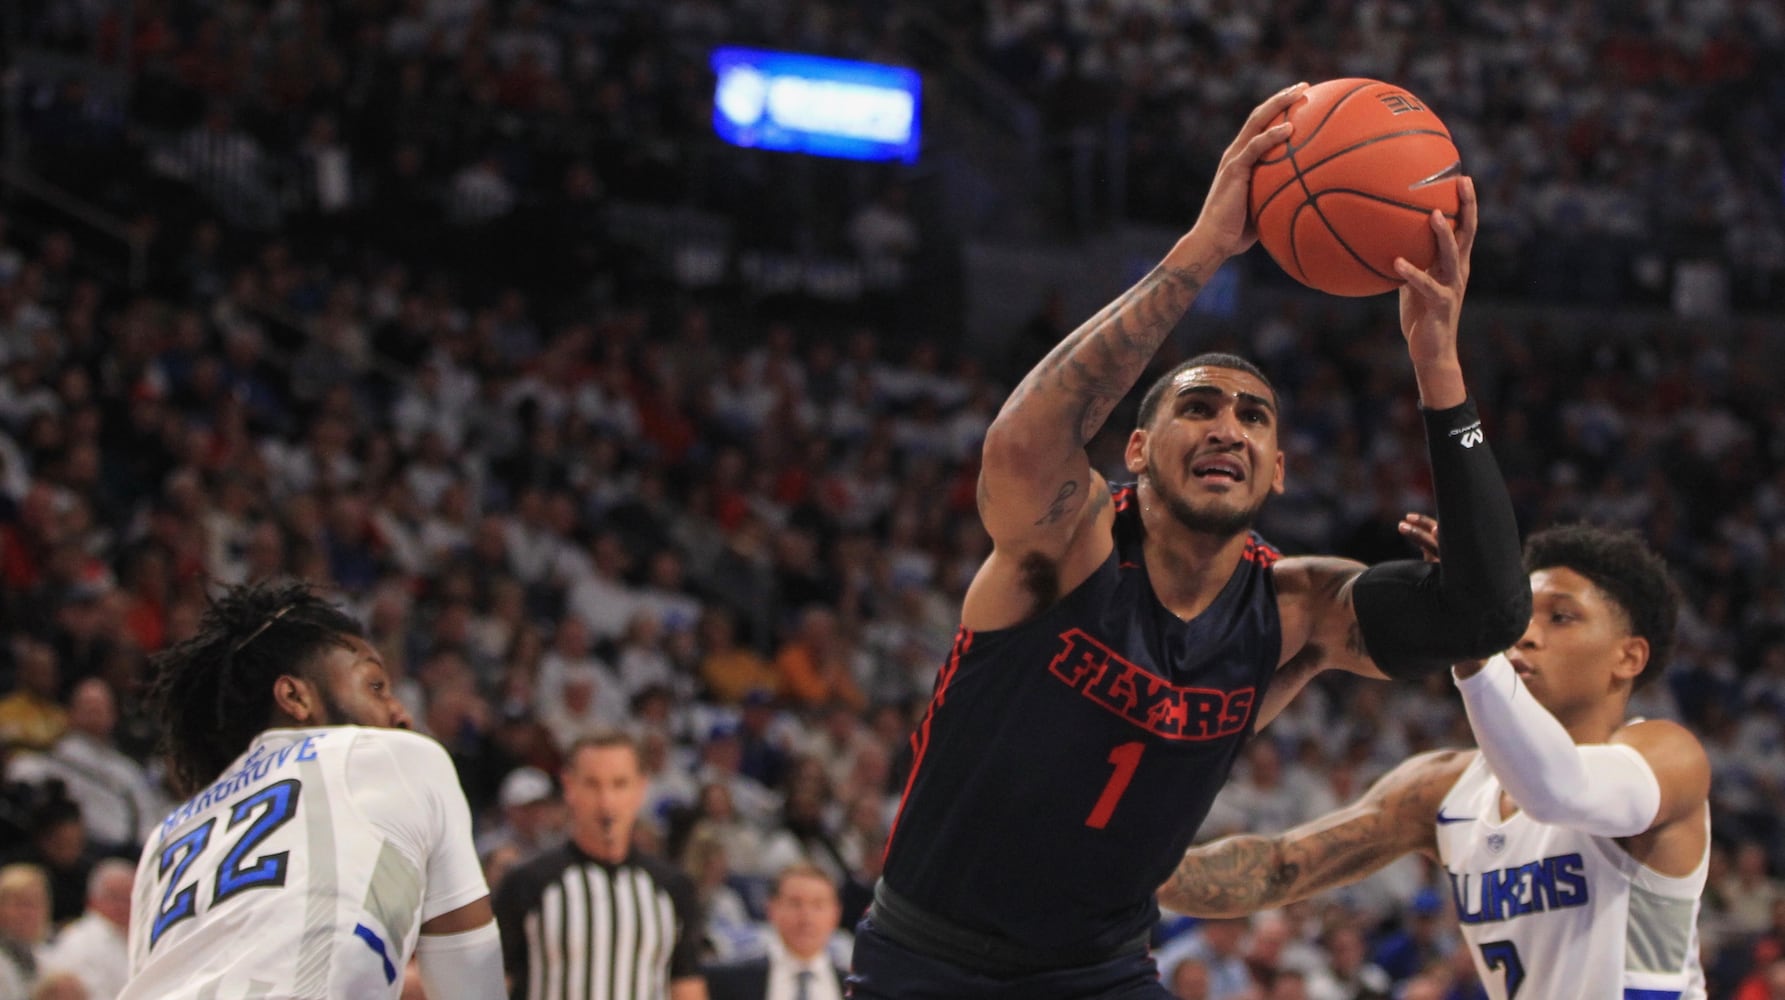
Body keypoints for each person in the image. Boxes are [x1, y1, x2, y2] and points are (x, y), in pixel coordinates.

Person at [852, 82, 1530, 998]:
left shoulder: (1292, 609)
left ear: (1278, 467)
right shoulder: (1068, 551)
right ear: (1134, 449)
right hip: (929, 960)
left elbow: (1486, 613)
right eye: (1198, 407)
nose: (1228, 428)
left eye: (1254, 418)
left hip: (1101, 973)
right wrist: (1204, 247)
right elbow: (1022, 445)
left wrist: (1437, 366)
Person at [1159, 523, 1710, 1000]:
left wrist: (1472, 643)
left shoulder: (1668, 758)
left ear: (1628, 657)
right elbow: (1280, 867)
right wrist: (1123, 869)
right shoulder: (1444, 788)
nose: (1526, 634)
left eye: (1561, 617)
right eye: (1520, 612)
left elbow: (1558, 792)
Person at [119, 582, 504, 1000]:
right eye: (375, 686)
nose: (402, 713)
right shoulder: (394, 755)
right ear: (295, 696)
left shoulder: (166, 834)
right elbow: (469, 978)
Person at [492, 731, 707, 999]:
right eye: (592, 785)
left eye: (619, 784)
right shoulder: (527, 884)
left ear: (641, 788)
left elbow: (686, 986)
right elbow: (495, 984)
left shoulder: (674, 888)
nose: (606, 802)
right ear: (569, 787)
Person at [703, 863, 847, 1000]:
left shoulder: (860, 988)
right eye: (795, 903)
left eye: (818, 905)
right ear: (771, 909)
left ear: (836, 913)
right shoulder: (729, 980)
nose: (806, 917)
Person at [39, 858, 133, 999]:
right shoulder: (79, 941)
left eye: (128, 898)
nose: (122, 905)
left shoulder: (134, 937)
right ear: (92, 900)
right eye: (114, 897)